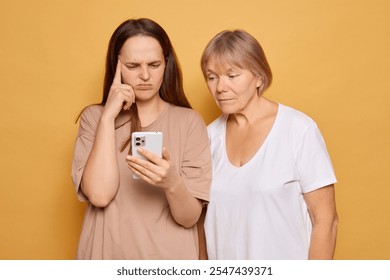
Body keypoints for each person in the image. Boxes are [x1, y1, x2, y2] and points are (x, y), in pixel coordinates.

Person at [71, 18, 211, 259]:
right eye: (133, 65)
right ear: (117, 66)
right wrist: (108, 119)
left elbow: (189, 218)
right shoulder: (94, 118)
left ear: (166, 64)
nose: (145, 75)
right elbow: (100, 195)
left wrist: (171, 182)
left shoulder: (189, 122)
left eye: (154, 64)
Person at [201, 29, 338, 260]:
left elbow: (326, 220)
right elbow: (200, 221)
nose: (220, 87)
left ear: (259, 77)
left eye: (232, 75)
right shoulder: (208, 136)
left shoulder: (298, 130)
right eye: (212, 76)